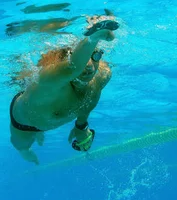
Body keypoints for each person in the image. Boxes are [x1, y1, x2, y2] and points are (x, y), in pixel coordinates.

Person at [9, 16, 119, 165]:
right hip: (25, 123)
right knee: (21, 145)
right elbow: (71, 68)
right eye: (83, 56)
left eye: (95, 55)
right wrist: (93, 38)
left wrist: (81, 126)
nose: (89, 66)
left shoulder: (102, 75)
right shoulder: (48, 80)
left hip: (47, 113)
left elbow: (88, 99)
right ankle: (26, 152)